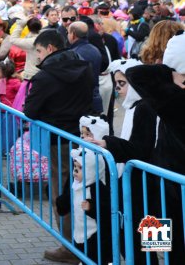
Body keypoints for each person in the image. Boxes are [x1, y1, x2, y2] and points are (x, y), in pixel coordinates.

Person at [23, 30, 94, 264]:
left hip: (58, 142)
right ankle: (84, 243)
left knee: (60, 196)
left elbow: (30, 111)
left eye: (40, 52)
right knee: (83, 192)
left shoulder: (44, 77)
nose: (37, 58)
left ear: (51, 49)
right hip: (83, 138)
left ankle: (69, 247)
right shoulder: (85, 68)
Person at [85, 59, 158, 265]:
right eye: (116, 83)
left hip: (147, 185)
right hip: (138, 183)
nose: (118, 89)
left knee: (149, 240)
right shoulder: (134, 107)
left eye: (122, 83)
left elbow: (140, 149)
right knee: (136, 239)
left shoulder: (145, 108)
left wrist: (108, 143)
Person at [126, 33, 185, 262]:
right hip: (155, 182)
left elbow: (136, 74)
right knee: (158, 245)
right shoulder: (155, 102)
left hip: (162, 183)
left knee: (167, 248)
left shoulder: (170, 100)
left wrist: (169, 73)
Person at [55, 148, 111, 265]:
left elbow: (106, 209)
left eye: (80, 168)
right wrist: (61, 201)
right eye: (75, 167)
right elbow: (66, 202)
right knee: (83, 251)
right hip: (80, 230)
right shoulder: (76, 185)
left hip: (96, 234)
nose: (75, 171)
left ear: (91, 170)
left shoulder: (97, 187)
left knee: (97, 255)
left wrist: (91, 207)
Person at [68, 21, 103, 114]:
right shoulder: (95, 49)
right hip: (94, 98)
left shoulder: (74, 54)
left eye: (68, 32)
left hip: (81, 103)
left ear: (73, 35)